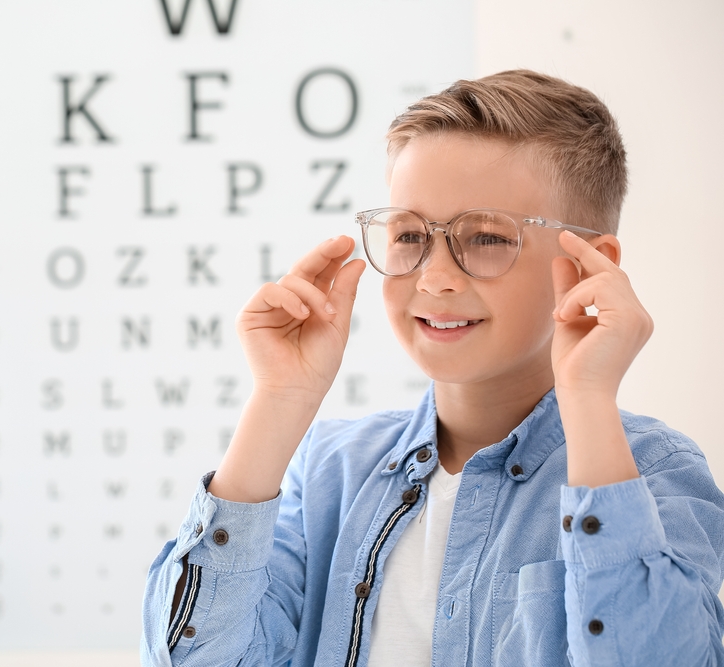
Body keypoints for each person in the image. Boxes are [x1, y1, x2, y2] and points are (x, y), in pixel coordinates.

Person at [140, 70, 724, 666]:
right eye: (411, 234)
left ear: (588, 265)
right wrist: (279, 398)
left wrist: (590, 398)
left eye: (488, 238)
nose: (435, 275)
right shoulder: (331, 469)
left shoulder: (652, 473)